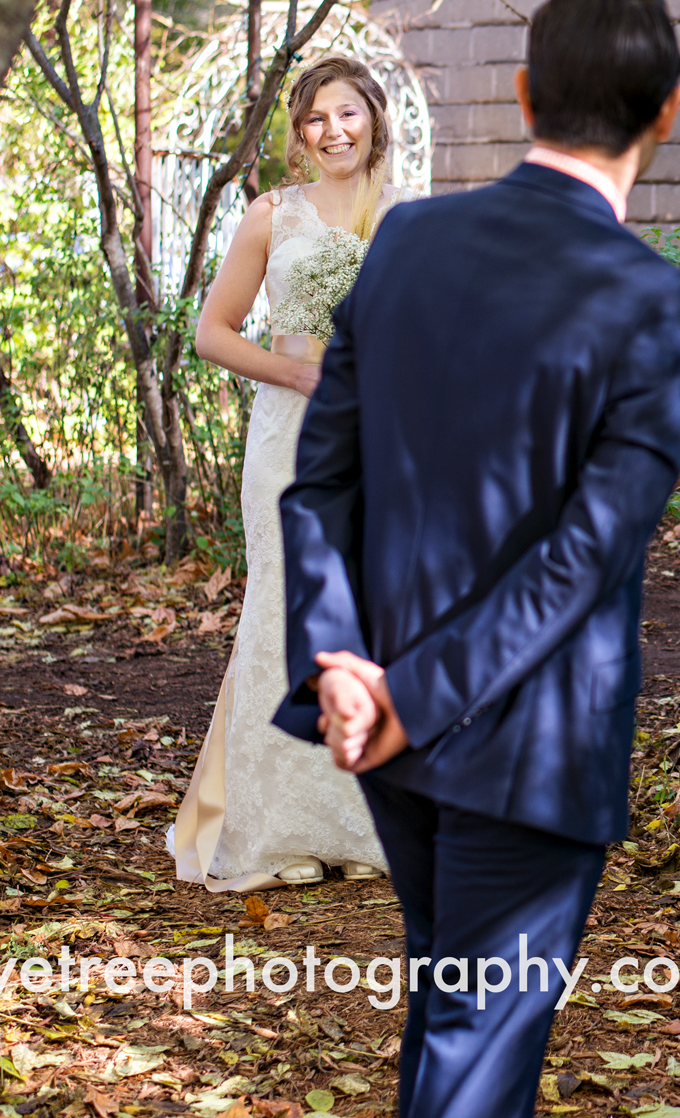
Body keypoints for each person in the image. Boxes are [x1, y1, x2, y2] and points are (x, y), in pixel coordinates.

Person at [275, 0, 680, 1116]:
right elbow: (585, 555)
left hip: (384, 729)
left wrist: (340, 664)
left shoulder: (407, 242)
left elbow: (319, 481)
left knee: (450, 1019)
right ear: (666, 108)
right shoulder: (657, 302)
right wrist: (410, 695)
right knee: (471, 1063)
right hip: (523, 749)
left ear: (523, 94)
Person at [168, 54, 398, 889]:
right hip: (291, 438)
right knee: (285, 609)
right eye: (315, 119)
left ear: (372, 116)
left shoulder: (408, 216)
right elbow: (213, 333)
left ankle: (364, 820)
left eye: (347, 113)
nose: (333, 131)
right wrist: (299, 373)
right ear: (299, 134)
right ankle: (275, 831)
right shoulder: (274, 214)